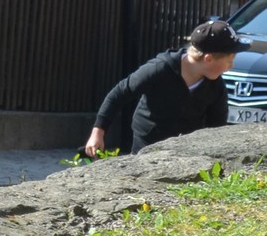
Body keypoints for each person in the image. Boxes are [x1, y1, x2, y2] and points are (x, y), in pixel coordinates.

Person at [83, 20, 242, 156]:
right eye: (230, 60)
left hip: (187, 147)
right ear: (208, 59)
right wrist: (98, 132)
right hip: (148, 141)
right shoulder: (159, 69)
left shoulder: (216, 86)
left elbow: (216, 127)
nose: (232, 65)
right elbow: (119, 94)